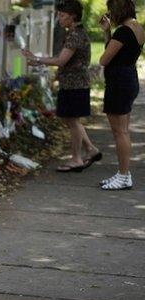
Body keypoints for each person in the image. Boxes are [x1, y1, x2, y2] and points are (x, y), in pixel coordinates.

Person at [23, 0, 101, 173]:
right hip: (73, 83)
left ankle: (77, 159)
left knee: (73, 121)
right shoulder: (74, 32)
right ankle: (90, 149)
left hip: (75, 84)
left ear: (73, 16)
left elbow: (61, 60)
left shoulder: (75, 35)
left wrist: (37, 59)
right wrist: (39, 61)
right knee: (70, 119)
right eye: (59, 14)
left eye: (62, 15)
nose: (59, 18)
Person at [98, 0, 143, 190]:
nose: (109, 13)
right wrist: (107, 31)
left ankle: (124, 176)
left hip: (119, 84)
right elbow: (117, 52)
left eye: (111, 9)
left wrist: (109, 33)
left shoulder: (123, 31)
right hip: (128, 79)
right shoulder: (137, 27)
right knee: (122, 131)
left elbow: (104, 59)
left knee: (120, 132)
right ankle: (124, 174)